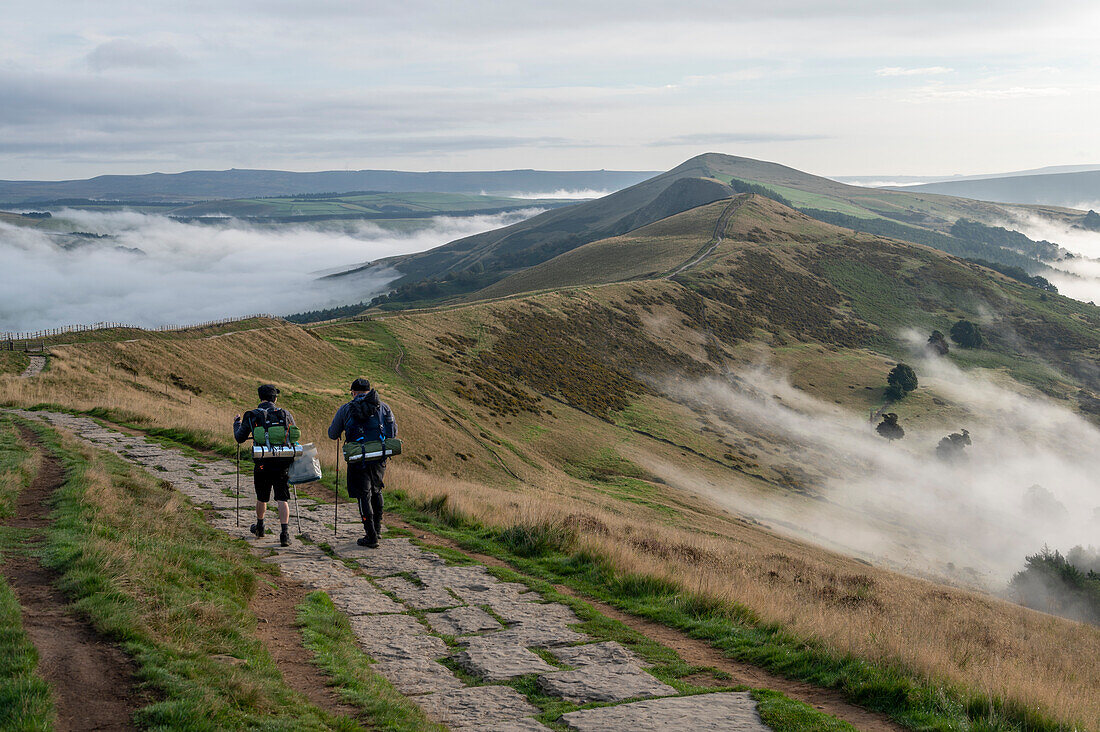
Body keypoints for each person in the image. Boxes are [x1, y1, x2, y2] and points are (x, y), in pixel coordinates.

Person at [328, 377, 397, 548]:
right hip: (379, 456)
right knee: (377, 490)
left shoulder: (346, 408)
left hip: (358, 458)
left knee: (363, 495)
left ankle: (370, 535)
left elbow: (332, 433)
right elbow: (393, 432)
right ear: (369, 391)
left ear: (353, 392)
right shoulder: (383, 406)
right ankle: (378, 529)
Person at [234, 384, 297, 547]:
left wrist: (236, 423)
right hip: (282, 462)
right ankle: (285, 534)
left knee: (262, 497)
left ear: (260, 398)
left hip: (262, 463)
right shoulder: (285, 414)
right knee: (282, 498)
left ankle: (260, 527)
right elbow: (293, 436)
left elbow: (240, 438)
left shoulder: (252, 415)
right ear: (275, 398)